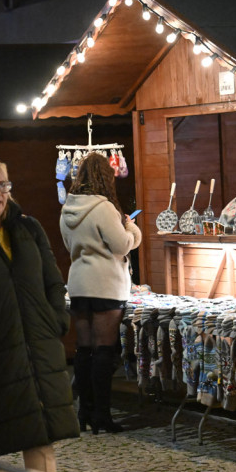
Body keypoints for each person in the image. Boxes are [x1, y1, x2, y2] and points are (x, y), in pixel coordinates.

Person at [0, 160, 79, 472]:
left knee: (40, 440)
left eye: (4, 185)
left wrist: (56, 320)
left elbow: (52, 280)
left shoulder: (26, 228)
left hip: (37, 350)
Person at [60, 152, 142, 434]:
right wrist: (132, 228)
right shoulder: (104, 207)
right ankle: (102, 416)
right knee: (104, 351)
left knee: (83, 350)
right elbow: (121, 246)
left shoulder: (68, 207)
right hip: (105, 284)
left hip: (78, 284)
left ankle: (83, 411)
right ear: (104, 177)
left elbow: (67, 244)